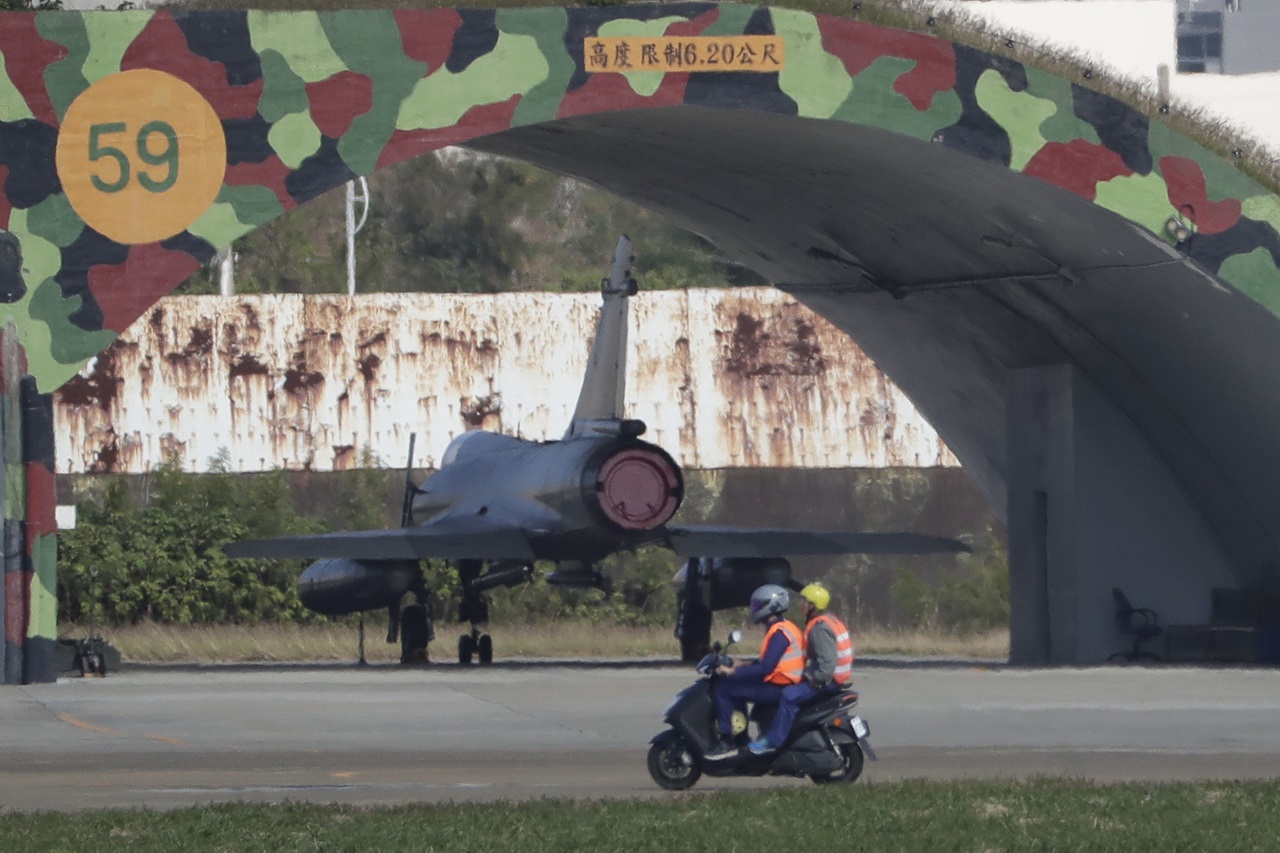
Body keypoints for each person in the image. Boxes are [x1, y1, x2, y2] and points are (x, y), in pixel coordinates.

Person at [747, 582, 854, 755]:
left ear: (814, 606)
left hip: (829, 680)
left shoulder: (819, 628)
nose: (801, 604)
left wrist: (815, 678)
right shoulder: (830, 620)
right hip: (835, 676)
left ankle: (774, 740)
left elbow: (828, 662)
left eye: (805, 601)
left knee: (789, 695)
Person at [705, 584, 805, 760]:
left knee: (723, 688)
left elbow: (766, 668)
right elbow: (769, 661)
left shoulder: (780, 633)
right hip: (778, 682)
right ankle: (741, 738)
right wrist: (741, 664)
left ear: (771, 606)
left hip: (780, 687)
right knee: (735, 687)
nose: (755, 609)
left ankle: (727, 740)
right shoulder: (783, 627)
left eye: (758, 605)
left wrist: (732, 672)